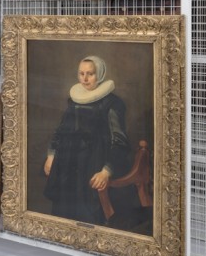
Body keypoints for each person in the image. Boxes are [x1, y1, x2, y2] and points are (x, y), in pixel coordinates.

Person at [42, 55, 142, 229]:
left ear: (100, 74)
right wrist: (51, 155)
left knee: (88, 215)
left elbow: (119, 141)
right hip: (68, 164)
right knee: (63, 213)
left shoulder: (112, 103)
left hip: (94, 164)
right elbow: (61, 131)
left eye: (90, 74)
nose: (85, 78)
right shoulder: (74, 100)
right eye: (81, 74)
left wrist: (106, 171)